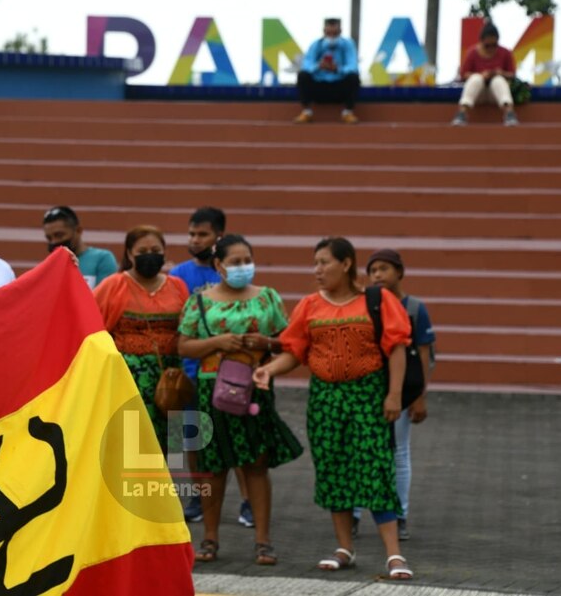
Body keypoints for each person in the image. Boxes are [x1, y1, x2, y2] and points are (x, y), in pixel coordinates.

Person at [253, 237, 415, 580]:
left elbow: (397, 347)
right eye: (315, 263)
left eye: (324, 262)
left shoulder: (377, 300)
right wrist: (269, 370)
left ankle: (394, 554)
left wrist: (394, 395)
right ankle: (345, 548)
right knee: (332, 468)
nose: (317, 270)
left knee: (375, 466)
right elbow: (294, 351)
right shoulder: (310, 305)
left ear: (346, 264)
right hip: (325, 398)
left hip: (367, 395)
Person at [177, 235, 303, 566]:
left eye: (247, 260)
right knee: (213, 467)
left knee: (256, 465)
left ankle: (263, 541)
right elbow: (184, 346)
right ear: (219, 265)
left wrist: (266, 343)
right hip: (212, 391)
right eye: (235, 262)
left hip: (254, 387)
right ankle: (210, 537)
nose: (243, 267)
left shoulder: (267, 298)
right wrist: (217, 343)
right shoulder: (200, 302)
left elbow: (288, 341)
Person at [169, 207, 252, 527]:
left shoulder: (231, 272)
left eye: (202, 234)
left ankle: (248, 500)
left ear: (219, 236)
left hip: (231, 374)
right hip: (190, 373)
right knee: (192, 440)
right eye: (191, 234)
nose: (195, 240)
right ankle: (198, 497)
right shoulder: (178, 274)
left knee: (237, 442)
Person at [352, 249, 436, 542]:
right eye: (373, 270)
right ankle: (354, 514)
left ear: (400, 272)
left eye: (384, 269)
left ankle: (400, 515)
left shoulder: (414, 308)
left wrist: (419, 395)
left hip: (401, 391)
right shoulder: (364, 304)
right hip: (366, 390)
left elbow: (424, 354)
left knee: (398, 452)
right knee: (359, 451)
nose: (377, 275)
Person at [93, 226, 189, 452]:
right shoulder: (113, 285)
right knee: (136, 450)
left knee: (171, 452)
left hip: (171, 380)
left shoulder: (177, 286)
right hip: (130, 380)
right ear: (129, 254)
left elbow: (188, 326)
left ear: (164, 252)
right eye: (142, 251)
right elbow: (91, 325)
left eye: (155, 250)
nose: (150, 255)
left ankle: (167, 477)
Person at [293, 18, 361, 125]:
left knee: (353, 77)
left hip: (339, 88)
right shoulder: (316, 44)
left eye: (335, 33)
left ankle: (347, 112)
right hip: (319, 88)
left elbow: (353, 67)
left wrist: (337, 69)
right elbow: (306, 66)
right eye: (329, 33)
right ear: (324, 31)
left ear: (340, 32)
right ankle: (306, 112)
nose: (332, 37)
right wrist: (318, 66)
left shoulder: (348, 44)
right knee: (302, 76)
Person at [451, 21, 519, 127]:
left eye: (494, 45)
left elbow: (513, 74)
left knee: (498, 80)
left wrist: (501, 73)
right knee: (476, 78)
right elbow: (464, 75)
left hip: (496, 95)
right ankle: (462, 113)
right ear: (481, 42)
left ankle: (509, 113)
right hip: (477, 94)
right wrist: (482, 75)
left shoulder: (505, 53)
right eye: (487, 46)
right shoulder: (472, 53)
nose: (491, 48)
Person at [42, 206, 118, 289]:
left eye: (59, 235)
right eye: (49, 238)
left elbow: (105, 295)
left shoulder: (102, 259)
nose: (54, 242)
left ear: (78, 230)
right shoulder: (51, 266)